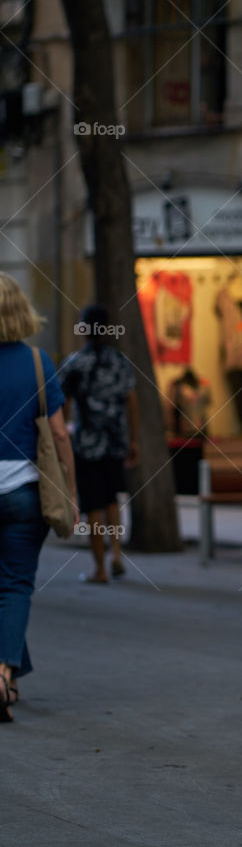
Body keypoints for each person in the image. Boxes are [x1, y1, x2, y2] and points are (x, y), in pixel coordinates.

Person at [0, 273, 76, 722]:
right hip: (26, 492)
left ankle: (7, 671)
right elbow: (60, 433)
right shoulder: (36, 362)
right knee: (14, 584)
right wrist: (70, 489)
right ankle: (6, 674)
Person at [60, 304, 139, 584]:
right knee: (112, 500)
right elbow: (131, 401)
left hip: (87, 443)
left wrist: (65, 435)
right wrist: (133, 438)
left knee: (92, 504)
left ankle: (100, 568)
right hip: (115, 440)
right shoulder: (120, 361)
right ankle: (116, 553)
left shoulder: (75, 364)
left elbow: (64, 405)